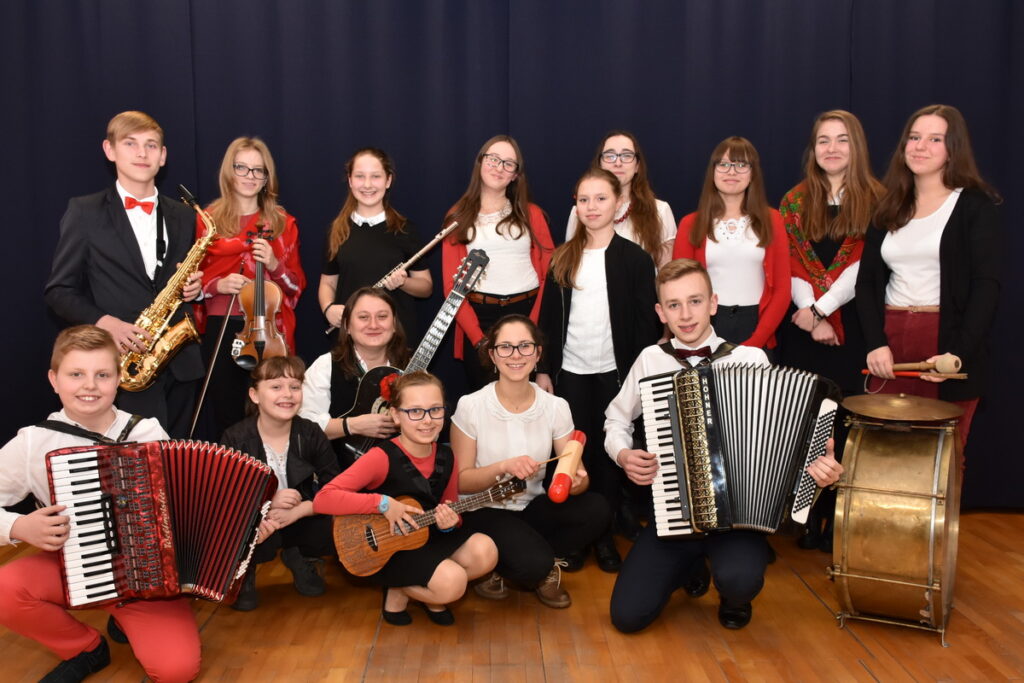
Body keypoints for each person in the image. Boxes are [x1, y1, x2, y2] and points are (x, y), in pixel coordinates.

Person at [604, 259, 844, 632]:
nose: (685, 315)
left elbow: (786, 442)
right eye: (673, 305)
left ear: (713, 303)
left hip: (738, 521)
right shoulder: (650, 360)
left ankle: (733, 597)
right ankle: (690, 566)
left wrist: (817, 472)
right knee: (627, 617)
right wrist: (623, 454)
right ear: (660, 313)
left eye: (695, 301)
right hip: (675, 516)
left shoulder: (751, 360)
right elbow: (615, 420)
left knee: (740, 579)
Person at [0, 325, 201, 682]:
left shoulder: (147, 433)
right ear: (54, 380)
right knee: (5, 588)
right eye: (76, 374)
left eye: (102, 375)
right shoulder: (33, 442)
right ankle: (84, 648)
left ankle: (125, 618)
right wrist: (18, 526)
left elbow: (182, 503)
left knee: (177, 671)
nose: (89, 386)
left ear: (119, 379)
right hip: (70, 567)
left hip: (147, 581)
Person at [44, 111, 204, 438]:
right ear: (110, 150)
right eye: (130, 144)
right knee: (134, 463)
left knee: (179, 463)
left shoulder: (184, 214)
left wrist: (194, 289)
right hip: (124, 365)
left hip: (181, 364)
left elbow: (177, 277)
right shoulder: (84, 211)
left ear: (163, 156)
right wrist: (106, 323)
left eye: (151, 145)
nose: (142, 153)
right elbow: (59, 291)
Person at [857, 104, 1001, 448]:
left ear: (953, 149)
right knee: (885, 452)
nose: (920, 147)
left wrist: (957, 353)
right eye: (914, 137)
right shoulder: (888, 206)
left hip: (947, 341)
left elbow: (987, 286)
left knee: (942, 457)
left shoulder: (974, 205)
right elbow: (867, 283)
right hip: (891, 342)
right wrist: (875, 342)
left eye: (935, 139)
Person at [538, 169, 660, 571]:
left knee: (609, 461)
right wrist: (544, 370)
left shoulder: (636, 259)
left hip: (615, 375)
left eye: (600, 199)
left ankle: (605, 537)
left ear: (618, 205)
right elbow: (548, 321)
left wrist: (638, 375)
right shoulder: (562, 257)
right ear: (575, 206)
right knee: (574, 456)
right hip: (570, 373)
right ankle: (578, 537)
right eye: (583, 200)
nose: (591, 207)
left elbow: (645, 325)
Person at [313, 371, 498, 626]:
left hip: (426, 535)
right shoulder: (380, 457)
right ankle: (401, 588)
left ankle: (415, 589)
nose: (427, 420)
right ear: (396, 415)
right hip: (389, 548)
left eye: (435, 410)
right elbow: (323, 499)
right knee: (453, 584)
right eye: (415, 411)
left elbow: (450, 506)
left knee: (486, 551)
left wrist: (450, 522)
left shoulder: (448, 456)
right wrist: (383, 504)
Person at [777, 110, 883, 551]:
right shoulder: (794, 201)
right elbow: (789, 262)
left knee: (843, 421)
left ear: (856, 147)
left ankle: (836, 518)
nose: (832, 148)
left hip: (852, 327)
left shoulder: (877, 200)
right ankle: (805, 513)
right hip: (802, 328)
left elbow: (864, 268)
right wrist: (810, 313)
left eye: (842, 140)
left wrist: (822, 310)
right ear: (813, 148)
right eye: (824, 140)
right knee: (804, 421)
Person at [452, 314, 610, 608]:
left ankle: (534, 560)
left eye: (525, 346)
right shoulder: (470, 405)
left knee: (597, 509)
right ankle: (512, 565)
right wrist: (503, 467)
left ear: (537, 354)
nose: (516, 355)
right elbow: (461, 481)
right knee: (533, 565)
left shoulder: (556, 406)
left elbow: (576, 471)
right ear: (492, 355)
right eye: (505, 347)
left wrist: (577, 481)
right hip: (484, 508)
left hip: (530, 507)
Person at [193, 137, 306, 439]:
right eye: (241, 167)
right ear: (229, 172)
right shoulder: (208, 222)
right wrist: (218, 285)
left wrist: (274, 264)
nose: (249, 176)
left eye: (258, 170)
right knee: (226, 411)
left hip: (267, 330)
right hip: (222, 326)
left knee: (270, 412)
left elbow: (295, 288)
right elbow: (191, 283)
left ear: (267, 178)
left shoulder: (282, 223)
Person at [218, 356, 340, 611]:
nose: (287, 394)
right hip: (258, 521)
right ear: (254, 395)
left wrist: (300, 510)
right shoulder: (235, 438)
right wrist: (266, 502)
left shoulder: (310, 433)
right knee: (231, 529)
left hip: (301, 516)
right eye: (276, 387)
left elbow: (335, 487)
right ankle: (245, 570)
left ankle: (299, 555)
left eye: (295, 387)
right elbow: (223, 497)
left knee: (336, 523)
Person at [441, 135, 555, 391]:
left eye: (508, 163)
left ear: (515, 175)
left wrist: (531, 329)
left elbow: (549, 277)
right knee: (485, 404)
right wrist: (479, 340)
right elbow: (451, 286)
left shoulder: (532, 214)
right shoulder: (457, 216)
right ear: (480, 162)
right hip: (479, 320)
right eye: (493, 159)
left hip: (528, 312)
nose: (499, 167)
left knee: (527, 401)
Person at [673, 136, 790, 352]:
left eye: (741, 165)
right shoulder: (691, 224)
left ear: (753, 173)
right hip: (706, 328)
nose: (732, 172)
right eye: (724, 164)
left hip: (758, 329)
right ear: (713, 172)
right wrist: (700, 337)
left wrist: (756, 342)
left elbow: (782, 291)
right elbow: (679, 288)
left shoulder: (772, 220)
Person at [320, 148, 432, 339]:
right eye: (360, 176)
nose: (367, 184)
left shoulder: (405, 229)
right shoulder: (337, 230)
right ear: (350, 180)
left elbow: (426, 287)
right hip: (351, 336)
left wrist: (403, 282)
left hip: (397, 337)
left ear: (388, 180)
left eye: (376, 176)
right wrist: (328, 308)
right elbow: (328, 283)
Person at [301, 288, 410, 469]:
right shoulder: (326, 365)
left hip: (400, 471)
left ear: (394, 325)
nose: (373, 325)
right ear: (347, 326)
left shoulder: (413, 366)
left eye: (382, 316)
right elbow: (305, 427)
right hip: (338, 472)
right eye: (363, 317)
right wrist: (351, 425)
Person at [565, 130, 676, 266]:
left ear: (637, 166)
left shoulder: (660, 210)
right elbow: (570, 265)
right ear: (600, 164)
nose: (618, 163)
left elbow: (666, 272)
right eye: (610, 156)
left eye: (626, 155)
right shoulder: (580, 212)